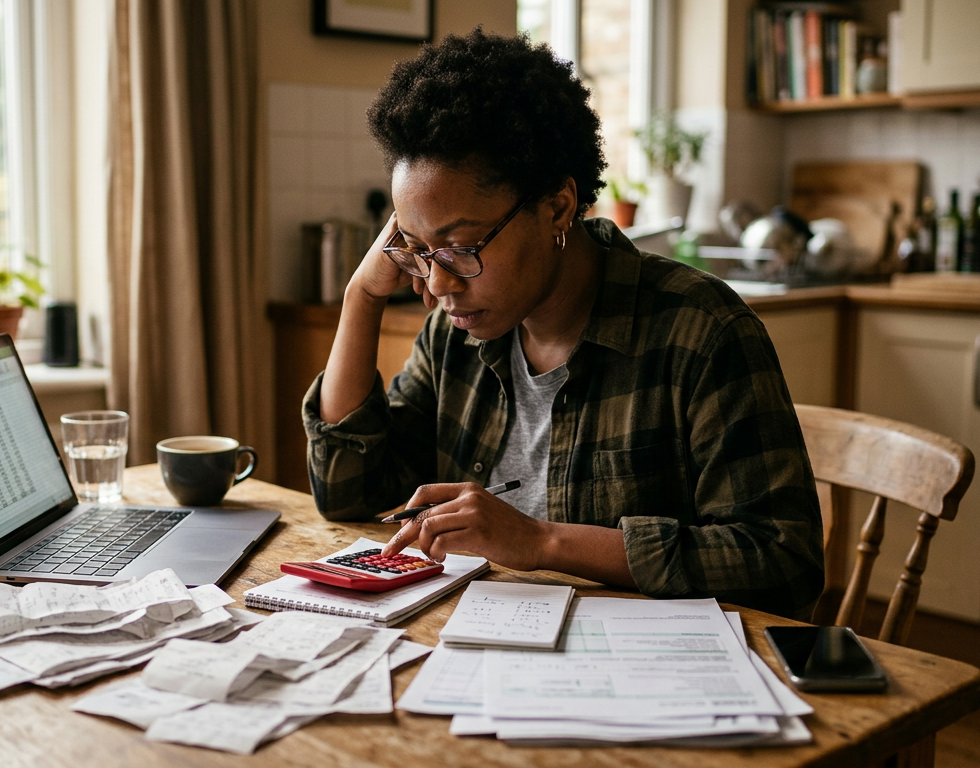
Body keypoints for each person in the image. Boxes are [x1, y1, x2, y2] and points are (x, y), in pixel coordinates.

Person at [301, 29, 824, 620]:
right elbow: (350, 494)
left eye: (461, 246)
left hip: (644, 672)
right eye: (418, 249)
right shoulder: (457, 334)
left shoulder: (702, 330)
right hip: (480, 644)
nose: (440, 283)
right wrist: (361, 296)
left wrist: (541, 541)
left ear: (557, 207)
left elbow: (784, 562)